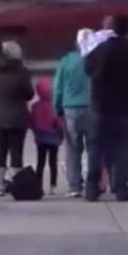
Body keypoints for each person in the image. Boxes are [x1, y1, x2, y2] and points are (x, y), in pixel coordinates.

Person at [84, 15, 128, 202]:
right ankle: (121, 187)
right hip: (125, 106)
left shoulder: (101, 49)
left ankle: (92, 188)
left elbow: (87, 67)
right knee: (123, 148)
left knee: (96, 148)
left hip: (100, 105)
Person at [0, 41, 34, 196]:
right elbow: (29, 94)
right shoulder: (22, 72)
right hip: (18, 117)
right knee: (16, 152)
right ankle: (16, 183)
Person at [53, 29, 93, 198]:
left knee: (73, 149)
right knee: (94, 148)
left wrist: (57, 108)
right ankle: (94, 183)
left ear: (76, 43)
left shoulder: (67, 61)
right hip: (92, 108)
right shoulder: (96, 60)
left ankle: (75, 186)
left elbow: (58, 88)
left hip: (71, 109)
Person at [29, 77, 63, 196]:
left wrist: (35, 131)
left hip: (40, 138)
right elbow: (59, 123)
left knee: (40, 162)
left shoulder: (35, 106)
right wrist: (61, 133)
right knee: (53, 162)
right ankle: (53, 186)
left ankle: (38, 185)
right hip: (54, 138)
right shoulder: (56, 105)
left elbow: (31, 121)